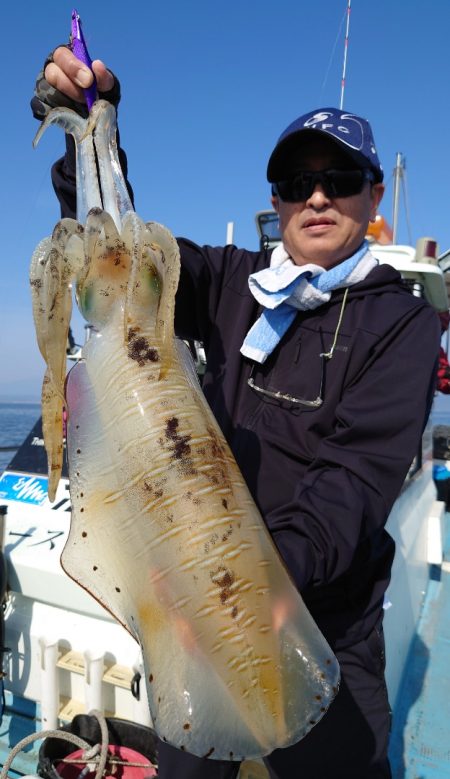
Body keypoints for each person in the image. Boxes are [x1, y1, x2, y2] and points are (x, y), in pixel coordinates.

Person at [31, 47, 441, 779]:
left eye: (341, 180)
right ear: (277, 200)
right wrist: (89, 132)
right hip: (194, 606)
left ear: (374, 195)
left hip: (322, 619)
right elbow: (121, 265)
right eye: (297, 182)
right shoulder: (231, 282)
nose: (318, 198)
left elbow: (353, 482)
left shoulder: (400, 325)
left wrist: (249, 588)